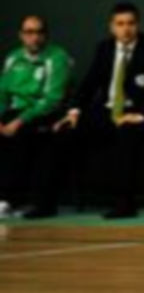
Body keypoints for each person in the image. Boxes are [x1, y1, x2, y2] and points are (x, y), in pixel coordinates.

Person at [55, 2, 144, 219]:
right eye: (120, 24)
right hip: (109, 111)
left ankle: (125, 205)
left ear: (138, 25)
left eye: (130, 23)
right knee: (64, 130)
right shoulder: (104, 48)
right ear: (112, 27)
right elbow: (89, 83)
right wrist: (74, 111)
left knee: (126, 133)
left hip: (141, 114)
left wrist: (141, 114)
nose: (126, 29)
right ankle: (46, 203)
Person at [0, 15, 72, 219]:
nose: (35, 37)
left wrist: (19, 121)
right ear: (21, 35)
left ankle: (9, 199)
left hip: (43, 113)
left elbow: (52, 99)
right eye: (29, 32)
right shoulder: (13, 58)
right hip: (14, 111)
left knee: (23, 134)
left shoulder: (57, 57)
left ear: (46, 35)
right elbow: (2, 94)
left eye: (39, 32)